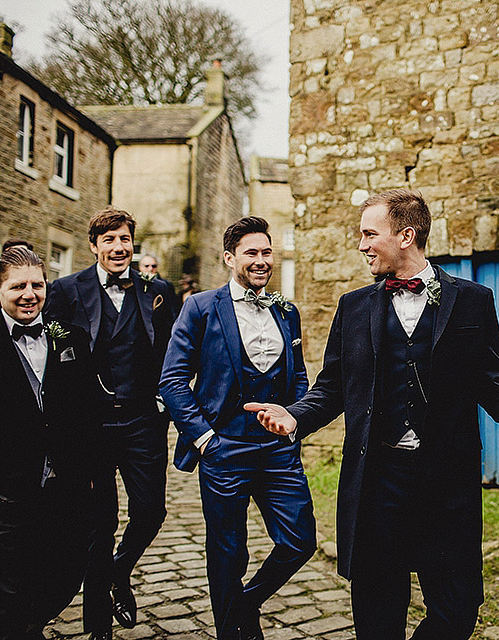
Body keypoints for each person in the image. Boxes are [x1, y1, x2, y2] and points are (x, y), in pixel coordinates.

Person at [248, 189, 499, 640]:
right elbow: (332, 388)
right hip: (377, 484)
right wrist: (295, 417)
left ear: (406, 235)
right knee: (377, 616)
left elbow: (493, 386)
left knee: (457, 610)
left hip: (445, 485)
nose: (361, 245)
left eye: (370, 234)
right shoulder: (353, 307)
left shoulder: (473, 301)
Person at [160, 217, 315, 640]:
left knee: (300, 542)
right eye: (252, 252)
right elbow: (172, 381)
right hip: (223, 450)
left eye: (267, 252)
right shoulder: (200, 308)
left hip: (278, 451)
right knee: (228, 553)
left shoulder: (287, 310)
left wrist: (292, 419)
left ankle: (244, 603)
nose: (262, 260)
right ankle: (233, 630)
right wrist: (206, 439)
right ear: (230, 258)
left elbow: (298, 376)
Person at [0, 247, 100, 639]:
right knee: (5, 599)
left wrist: (90, 475)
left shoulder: (72, 339)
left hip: (63, 491)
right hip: (0, 496)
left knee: (63, 579)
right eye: (18, 286)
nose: (29, 293)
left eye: (37, 284)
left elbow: (86, 413)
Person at [43, 207, 175, 640]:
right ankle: (99, 628)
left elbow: (172, 354)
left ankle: (120, 571)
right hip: (91, 427)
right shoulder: (64, 291)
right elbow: (53, 362)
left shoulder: (158, 291)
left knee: (151, 511)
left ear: (132, 244)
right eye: (109, 240)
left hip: (142, 422)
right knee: (98, 526)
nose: (118, 248)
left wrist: (164, 405)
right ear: (94, 246)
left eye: (124, 240)